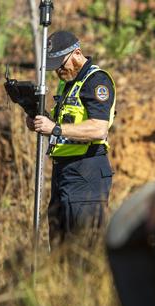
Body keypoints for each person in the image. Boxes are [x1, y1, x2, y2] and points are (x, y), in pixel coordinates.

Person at [25, 30, 116, 248]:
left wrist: (55, 129)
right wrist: (40, 121)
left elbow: (98, 128)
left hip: (86, 174)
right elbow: (65, 123)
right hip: (63, 174)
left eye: (60, 63)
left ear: (77, 53)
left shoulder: (97, 81)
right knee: (59, 250)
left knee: (82, 250)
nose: (58, 70)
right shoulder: (67, 83)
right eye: (54, 65)